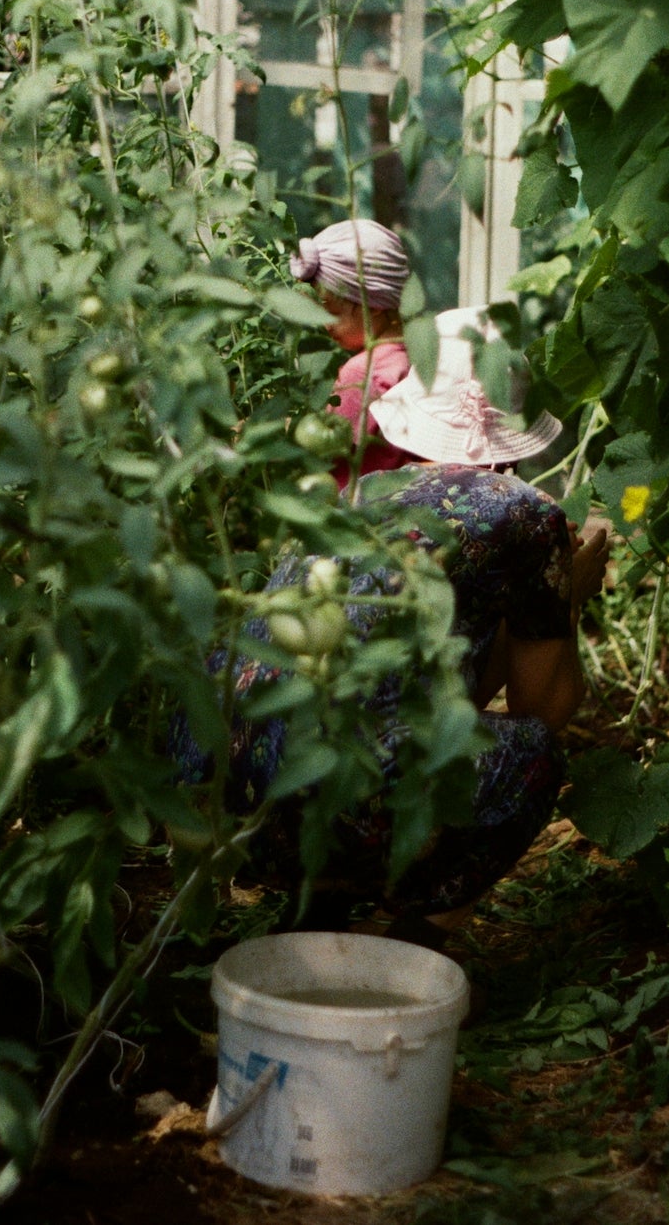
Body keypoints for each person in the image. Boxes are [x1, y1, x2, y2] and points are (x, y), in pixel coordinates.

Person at [175, 307, 607, 928]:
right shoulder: (522, 511)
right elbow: (546, 706)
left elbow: (436, 687)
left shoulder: (357, 499)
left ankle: (320, 914)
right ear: (509, 441)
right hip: (338, 796)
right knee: (530, 755)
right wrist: (566, 594)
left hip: (229, 799)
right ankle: (414, 943)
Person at [290, 217, 417, 487]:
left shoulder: (362, 372)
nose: (324, 324)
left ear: (372, 305)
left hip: (355, 509)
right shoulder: (413, 358)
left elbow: (326, 447)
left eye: (331, 312)